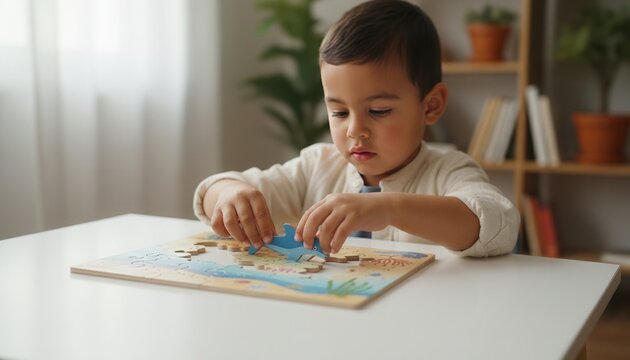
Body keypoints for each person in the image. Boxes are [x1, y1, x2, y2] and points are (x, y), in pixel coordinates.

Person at [193, 0, 519, 257]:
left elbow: (496, 224)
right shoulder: (316, 167)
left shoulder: (449, 171)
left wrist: (387, 208)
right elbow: (214, 192)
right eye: (338, 111)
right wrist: (229, 194)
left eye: (378, 111)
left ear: (431, 106)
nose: (355, 130)